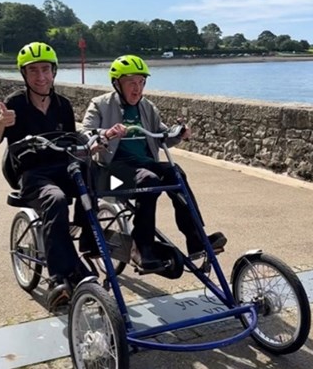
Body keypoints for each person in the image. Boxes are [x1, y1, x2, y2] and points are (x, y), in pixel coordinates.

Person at [82, 54, 227, 270]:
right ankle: (142, 247)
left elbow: (162, 135)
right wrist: (107, 133)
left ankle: (196, 239)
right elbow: (85, 133)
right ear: (117, 83)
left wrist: (179, 132)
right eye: (131, 82)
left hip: (143, 165)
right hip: (111, 177)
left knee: (175, 172)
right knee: (148, 180)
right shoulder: (101, 104)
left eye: (141, 82)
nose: (137, 88)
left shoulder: (147, 107)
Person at [0, 42, 94, 309]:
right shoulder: (14, 104)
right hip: (30, 173)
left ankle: (88, 237)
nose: (41, 76)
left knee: (95, 175)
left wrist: (89, 146)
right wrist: (1, 123)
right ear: (24, 74)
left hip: (61, 167)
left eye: (45, 69)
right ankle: (58, 278)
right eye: (33, 70)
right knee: (55, 200)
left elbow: (72, 142)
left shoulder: (63, 105)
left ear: (54, 72)